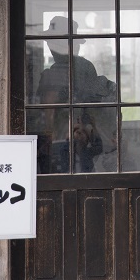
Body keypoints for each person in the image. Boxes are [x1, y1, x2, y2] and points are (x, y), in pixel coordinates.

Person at [35, 15, 117, 173]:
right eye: (49, 42)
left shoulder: (82, 68)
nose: (51, 46)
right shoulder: (53, 73)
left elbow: (97, 102)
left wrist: (87, 127)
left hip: (76, 139)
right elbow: (46, 112)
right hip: (64, 140)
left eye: (54, 42)